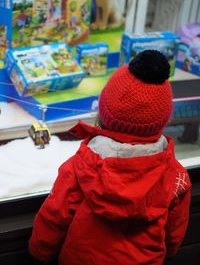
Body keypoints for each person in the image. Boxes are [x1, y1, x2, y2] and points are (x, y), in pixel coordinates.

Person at [29, 50, 191, 265]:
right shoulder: (177, 177)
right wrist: (168, 252)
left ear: (104, 112)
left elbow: (54, 217)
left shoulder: (81, 167)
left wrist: (39, 253)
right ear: (162, 118)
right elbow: (174, 232)